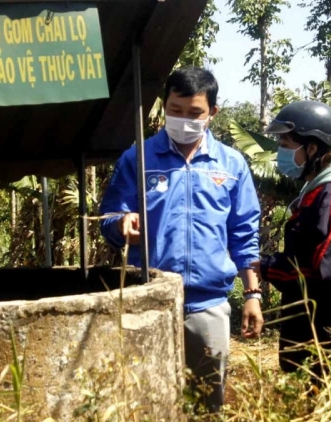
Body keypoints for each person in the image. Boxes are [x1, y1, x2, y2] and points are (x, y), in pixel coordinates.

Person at [98, 67, 263, 411]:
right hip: (148, 301)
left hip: (208, 305)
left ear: (212, 113)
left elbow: (244, 233)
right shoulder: (138, 159)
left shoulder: (231, 165)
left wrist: (252, 294)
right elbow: (109, 218)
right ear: (164, 104)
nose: (183, 119)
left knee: (206, 404)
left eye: (194, 113)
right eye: (175, 110)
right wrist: (121, 224)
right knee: (146, 402)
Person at [253, 100, 331, 381]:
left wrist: (268, 267)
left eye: (286, 143)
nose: (280, 152)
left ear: (311, 148)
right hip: (312, 348)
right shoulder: (318, 191)